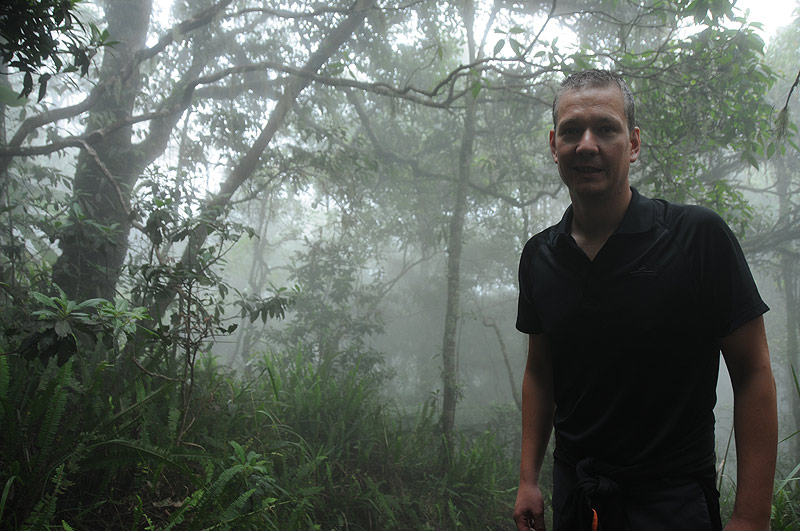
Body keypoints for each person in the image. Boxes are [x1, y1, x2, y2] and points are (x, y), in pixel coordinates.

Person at [512, 69, 777, 531]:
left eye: (606, 129)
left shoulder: (695, 238)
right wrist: (528, 479)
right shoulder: (540, 255)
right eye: (572, 131)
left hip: (672, 502)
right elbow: (540, 370)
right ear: (554, 145)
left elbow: (752, 369)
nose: (587, 144)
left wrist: (752, 516)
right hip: (577, 497)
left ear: (633, 144)